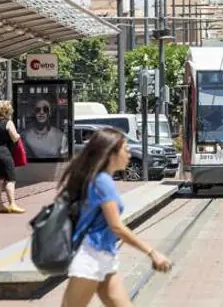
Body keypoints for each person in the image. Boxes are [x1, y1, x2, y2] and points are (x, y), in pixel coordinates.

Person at [60, 128, 172, 307]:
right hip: (90, 257)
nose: (129, 154)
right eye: (125, 149)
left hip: (105, 255)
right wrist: (152, 252)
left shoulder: (103, 180)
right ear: (111, 153)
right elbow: (117, 226)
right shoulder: (102, 182)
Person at [0, 100, 25, 214]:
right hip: (5, 153)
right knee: (10, 180)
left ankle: (0, 205)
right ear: (8, 110)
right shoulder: (8, 122)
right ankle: (12, 204)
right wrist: (18, 135)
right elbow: (14, 138)